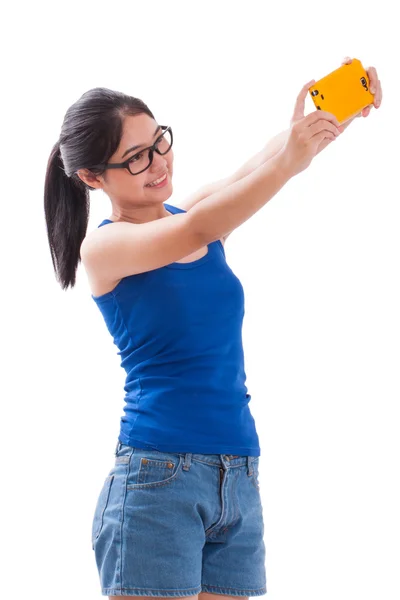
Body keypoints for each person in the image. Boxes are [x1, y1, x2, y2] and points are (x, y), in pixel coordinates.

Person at [43, 57, 382, 600]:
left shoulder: (185, 213)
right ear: (91, 177)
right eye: (135, 158)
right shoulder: (105, 247)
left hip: (239, 475)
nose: (157, 163)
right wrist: (289, 164)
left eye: (159, 142)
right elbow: (206, 223)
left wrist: (324, 119)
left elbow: (252, 170)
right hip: (157, 480)